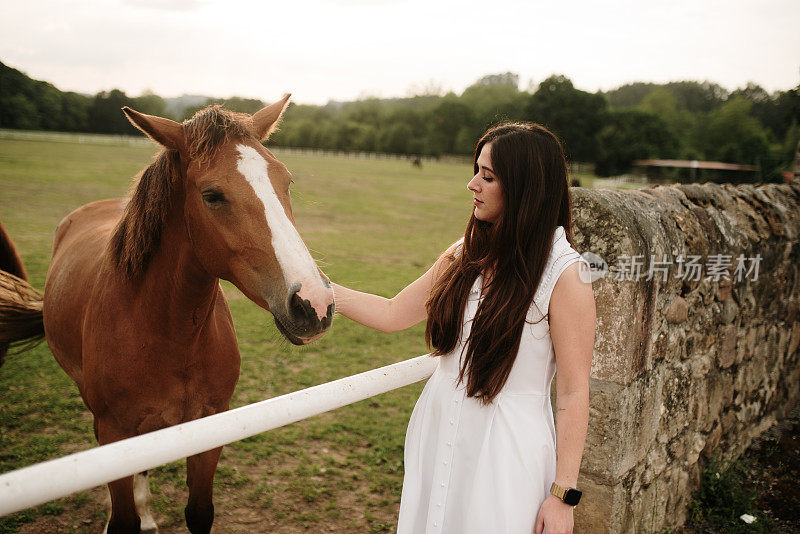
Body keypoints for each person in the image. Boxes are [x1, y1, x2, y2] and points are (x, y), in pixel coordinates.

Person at [332, 122, 596, 534]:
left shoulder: (566, 275)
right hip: (438, 432)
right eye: (476, 170)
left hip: (507, 453)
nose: (472, 184)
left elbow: (573, 390)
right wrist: (323, 292)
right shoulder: (465, 252)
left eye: (487, 176)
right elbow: (391, 313)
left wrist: (563, 496)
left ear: (525, 187)